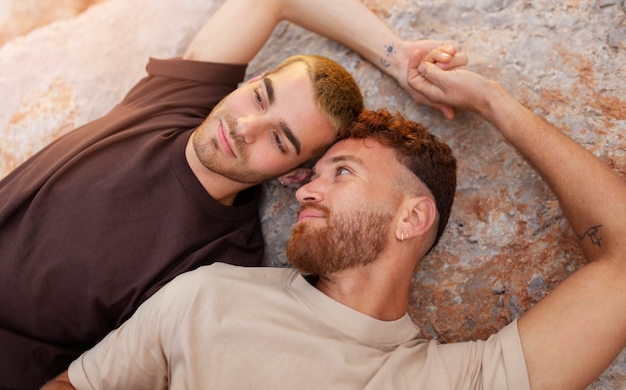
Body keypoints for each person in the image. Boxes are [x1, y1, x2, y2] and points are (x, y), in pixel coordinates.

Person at [41, 47, 626, 390]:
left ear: (412, 217)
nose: (306, 193)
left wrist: (493, 101)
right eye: (311, 174)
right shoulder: (206, 296)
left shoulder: (459, 378)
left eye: (341, 172)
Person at [0, 0, 469, 388]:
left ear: (294, 175)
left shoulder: (220, 261)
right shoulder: (177, 102)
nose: (245, 127)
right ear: (248, 82)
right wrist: (397, 55)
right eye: (260, 97)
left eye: (280, 140)